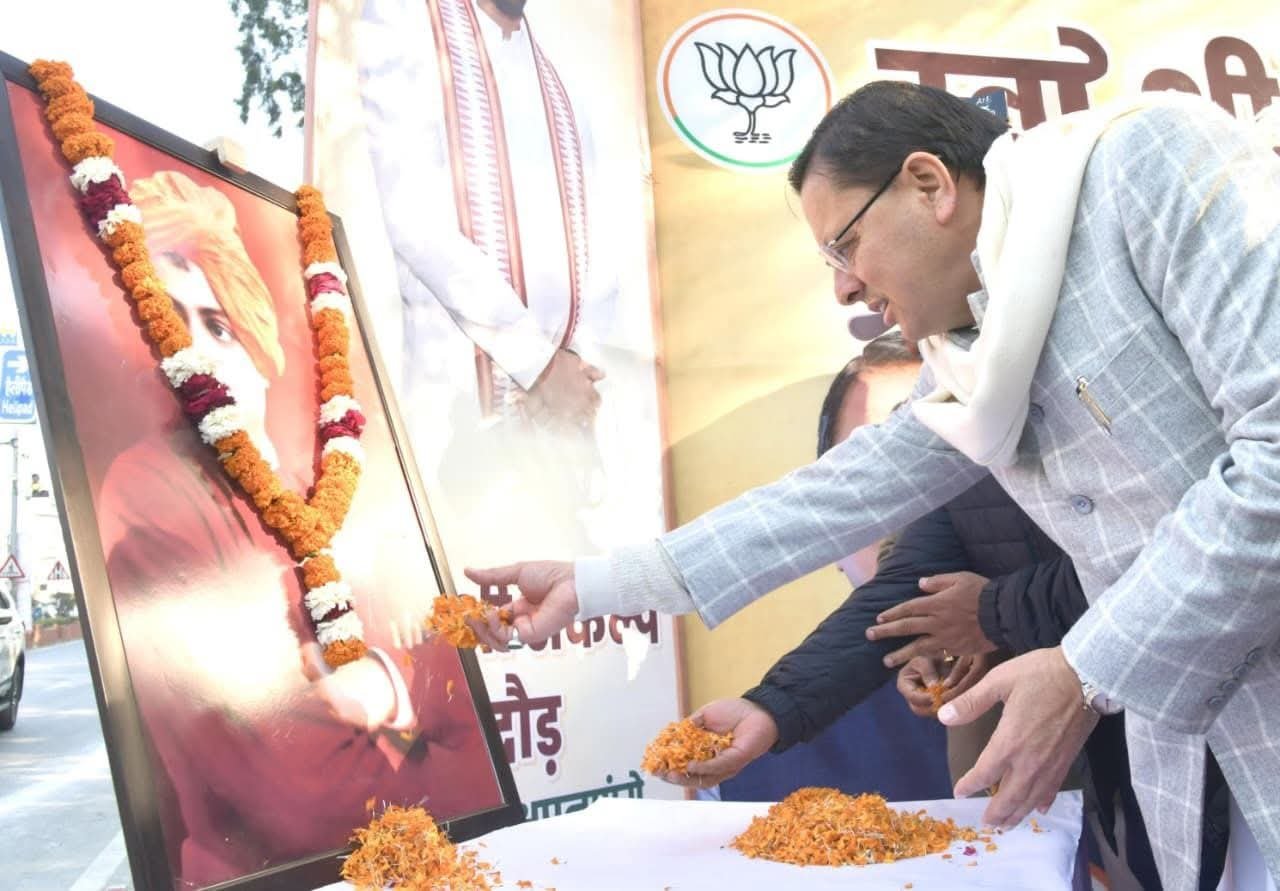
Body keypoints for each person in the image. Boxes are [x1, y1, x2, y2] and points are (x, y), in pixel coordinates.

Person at [468, 82, 1280, 889]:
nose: (844, 288)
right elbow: (827, 499)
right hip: (1199, 765)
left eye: (845, 246)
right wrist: (596, 584)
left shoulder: (1148, 164)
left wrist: (1085, 667)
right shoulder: (970, 358)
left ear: (930, 185)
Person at [95, 170, 500, 886]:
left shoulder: (326, 487)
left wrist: (391, 684)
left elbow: (455, 716)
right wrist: (420, 717)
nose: (200, 358)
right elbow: (304, 796)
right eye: (171, 330)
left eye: (218, 325)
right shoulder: (152, 492)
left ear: (257, 349)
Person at [355, 0, 663, 570]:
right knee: (451, 585)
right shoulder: (403, 26)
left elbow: (599, 253)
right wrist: (538, 364)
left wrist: (575, 370)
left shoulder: (559, 79)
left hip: (560, 425)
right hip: (453, 414)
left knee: (568, 583)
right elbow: (413, 220)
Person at [700, 334, 953, 804]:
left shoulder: (1086, 676)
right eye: (874, 472)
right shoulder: (747, 767)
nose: (919, 503)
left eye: (951, 459)